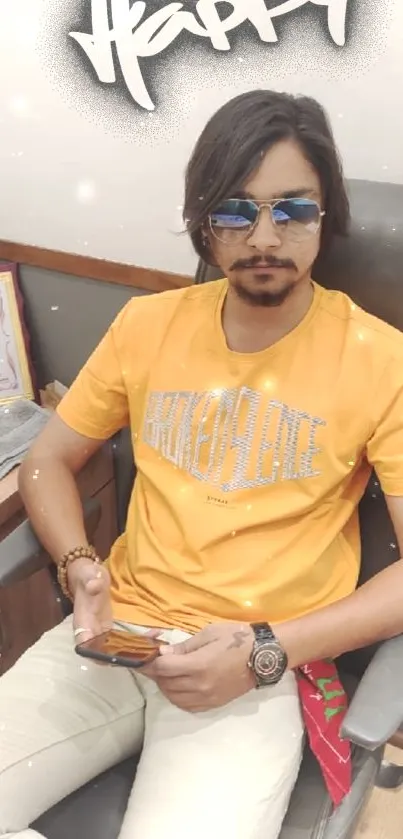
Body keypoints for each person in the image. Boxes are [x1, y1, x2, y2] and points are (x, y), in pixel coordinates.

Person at [2, 89, 403, 839]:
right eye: (233, 210)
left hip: (254, 667)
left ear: (327, 218)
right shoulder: (147, 324)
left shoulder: (380, 360)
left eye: (292, 210)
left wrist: (267, 650)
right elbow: (50, 459)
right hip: (114, 634)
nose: (263, 236)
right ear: (200, 220)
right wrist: (79, 561)